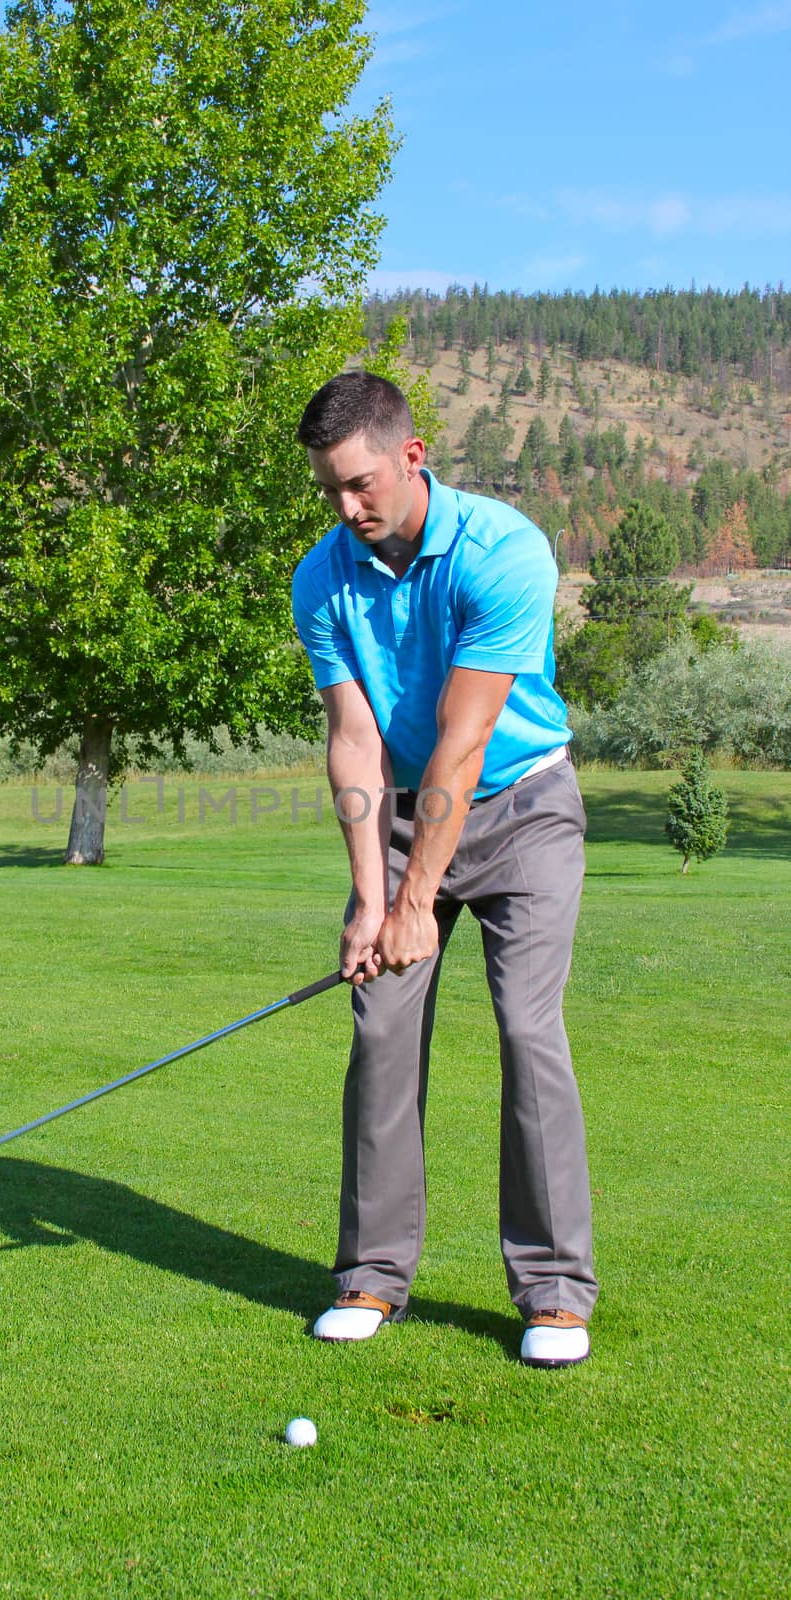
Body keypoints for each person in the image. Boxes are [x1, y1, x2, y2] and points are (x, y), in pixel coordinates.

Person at [291, 371, 598, 1368]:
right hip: (402, 814)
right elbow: (352, 740)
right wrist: (371, 902)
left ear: (411, 456)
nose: (347, 508)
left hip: (520, 806)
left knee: (524, 1024)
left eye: (362, 484)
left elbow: (463, 742)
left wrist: (418, 899)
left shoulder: (502, 550)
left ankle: (552, 1293)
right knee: (379, 1025)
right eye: (330, 491)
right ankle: (371, 1277)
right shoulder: (321, 576)